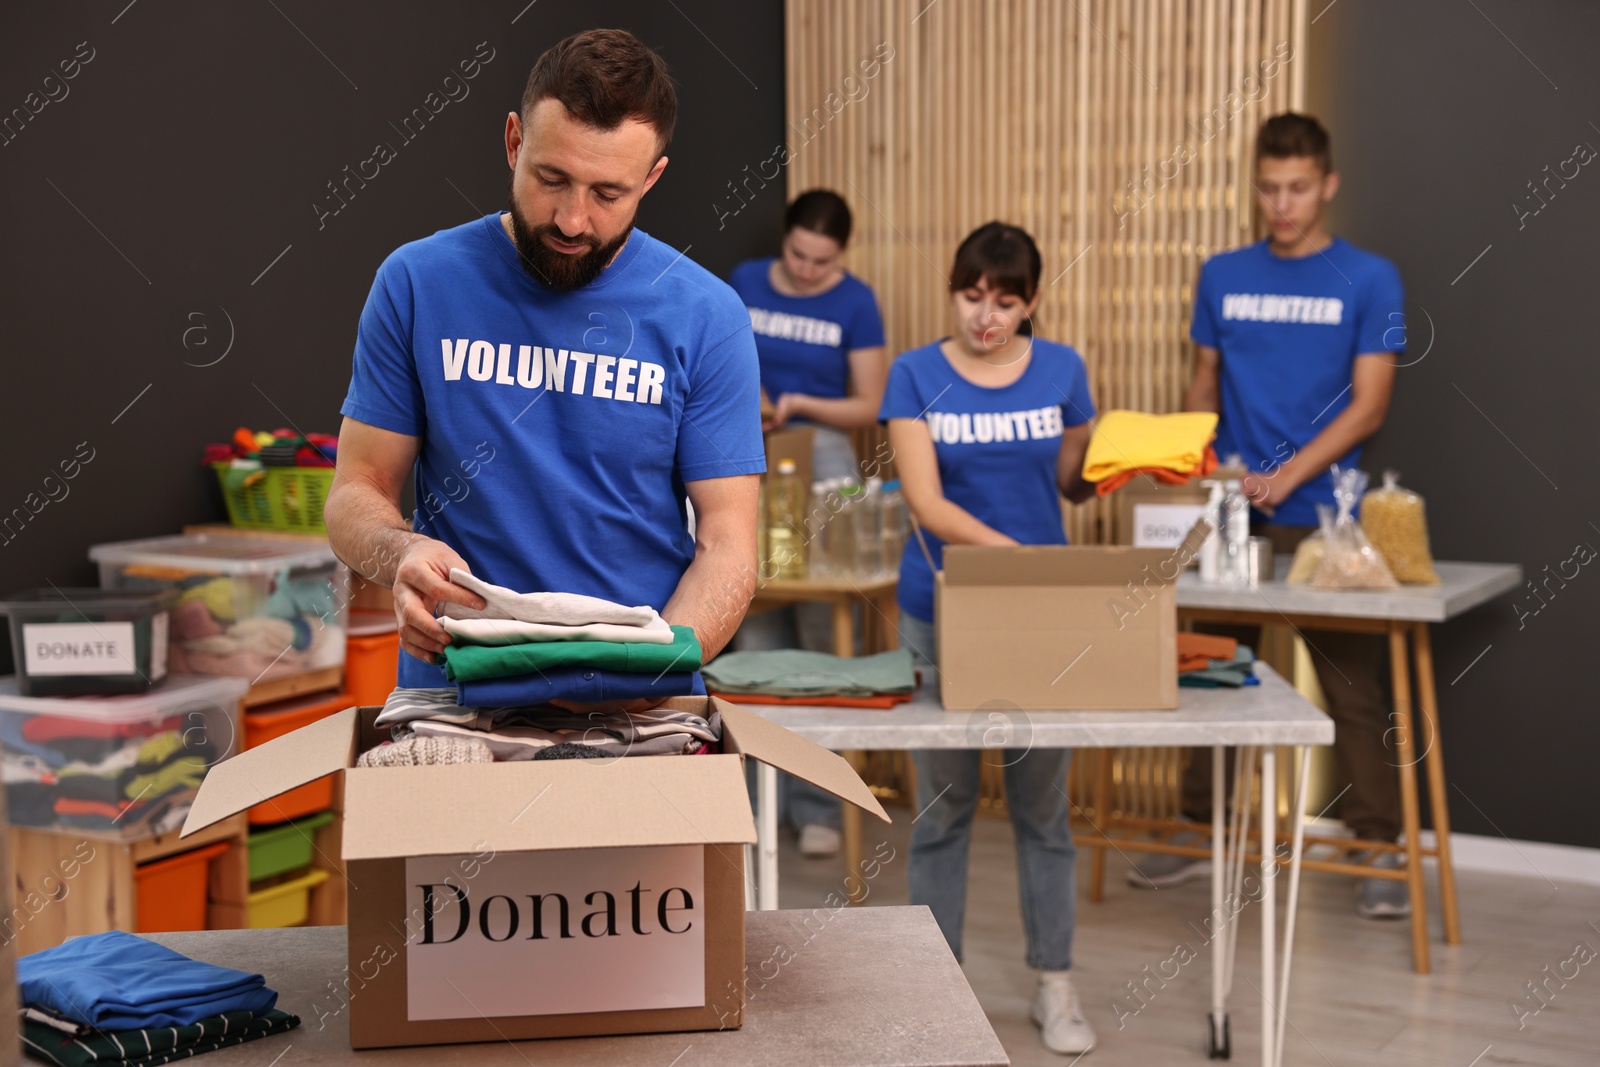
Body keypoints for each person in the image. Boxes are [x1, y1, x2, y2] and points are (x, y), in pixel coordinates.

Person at [325, 29, 765, 698]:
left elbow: (728, 546)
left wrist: (653, 674)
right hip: (455, 691)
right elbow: (356, 491)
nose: (571, 218)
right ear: (513, 142)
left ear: (652, 178)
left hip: (637, 702)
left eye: (608, 193)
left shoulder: (708, 315)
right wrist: (402, 552)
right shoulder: (417, 283)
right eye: (551, 178)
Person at [1127, 112, 1408, 919]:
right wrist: (1201, 466)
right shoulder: (1221, 273)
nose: (1281, 203)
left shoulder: (1373, 277)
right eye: (1267, 187)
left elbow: (1370, 404)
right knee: (1212, 670)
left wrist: (1287, 476)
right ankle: (1198, 831)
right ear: (1255, 185)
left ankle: (1376, 844)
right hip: (1231, 505)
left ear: (1327, 185)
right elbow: (1203, 384)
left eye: (1296, 188)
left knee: (1353, 686)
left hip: (1329, 514)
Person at [881, 222, 1099, 1056]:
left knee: (1045, 812)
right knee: (944, 809)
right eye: (972, 296)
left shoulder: (1064, 370)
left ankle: (1055, 985)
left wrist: (1123, 461)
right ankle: (937, 992)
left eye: (1005, 302)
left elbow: (1073, 481)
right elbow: (927, 505)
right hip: (941, 608)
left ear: (1032, 302)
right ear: (954, 290)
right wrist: (1022, 562)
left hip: (1040, 618)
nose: (986, 316)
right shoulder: (915, 374)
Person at [727, 189, 888, 856]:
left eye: (822, 261)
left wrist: (798, 402)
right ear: (783, 239)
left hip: (820, 458)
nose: (807, 270)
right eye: (797, 254)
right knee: (757, 630)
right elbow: (712, 359)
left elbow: (869, 404)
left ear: (841, 256)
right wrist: (754, 395)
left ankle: (820, 802)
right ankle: (759, 803)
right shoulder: (742, 283)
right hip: (746, 449)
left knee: (822, 639)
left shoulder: (857, 303)